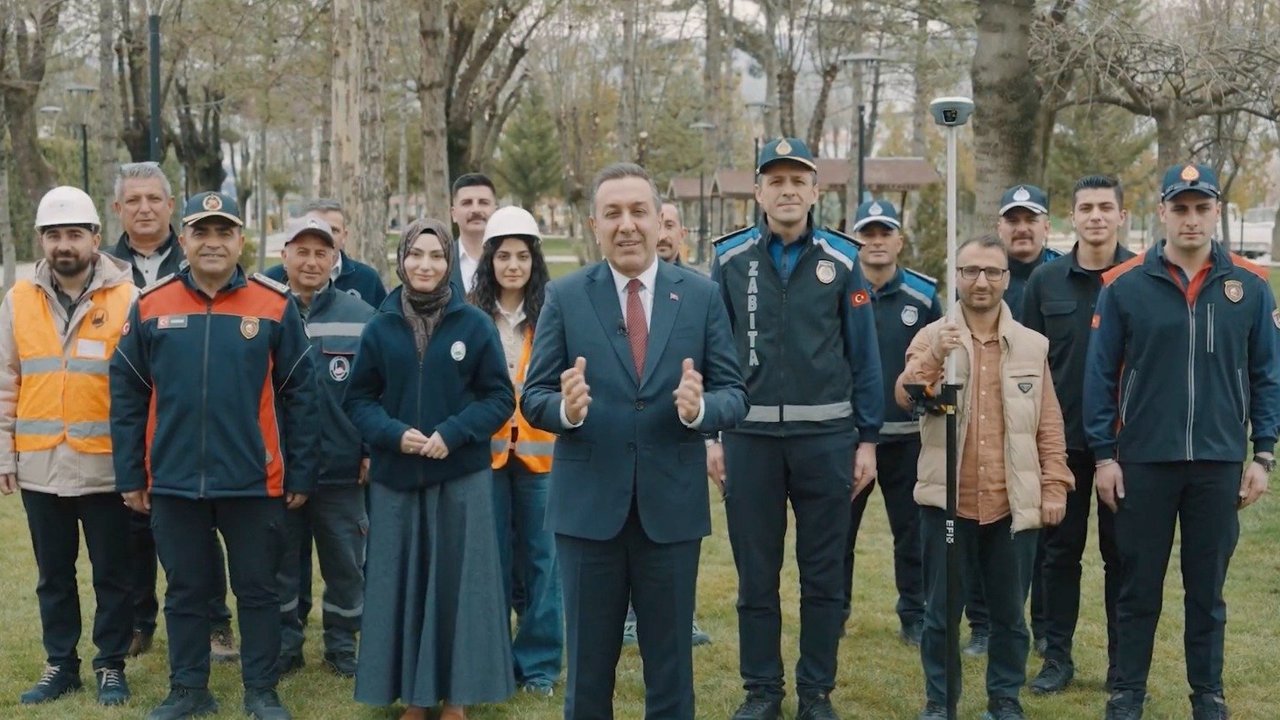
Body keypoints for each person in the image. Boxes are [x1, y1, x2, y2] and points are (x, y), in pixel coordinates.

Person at [521, 162, 747, 720]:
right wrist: (566, 413)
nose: (627, 225)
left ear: (660, 219)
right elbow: (534, 397)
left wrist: (700, 412)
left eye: (638, 211)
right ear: (594, 224)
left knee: (671, 672)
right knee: (590, 675)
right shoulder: (566, 296)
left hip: (670, 512)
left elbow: (734, 393)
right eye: (613, 214)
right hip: (586, 513)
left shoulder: (699, 295)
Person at [109, 191, 318, 720]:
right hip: (175, 480)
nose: (213, 243)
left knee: (258, 591)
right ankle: (188, 689)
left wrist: (301, 471)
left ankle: (261, 691)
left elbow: (301, 395)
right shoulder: (152, 303)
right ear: (184, 240)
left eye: (224, 232)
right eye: (202, 232)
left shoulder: (274, 304)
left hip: (254, 480)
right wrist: (132, 472)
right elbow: (129, 393)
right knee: (185, 590)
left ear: (240, 241)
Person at [1085, 163, 1279, 720]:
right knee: (1136, 587)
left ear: (1216, 212)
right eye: (1180, 208)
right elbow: (1099, 377)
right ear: (1162, 212)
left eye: (1201, 208)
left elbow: (1267, 374)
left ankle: (1208, 694)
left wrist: (1262, 454)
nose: (1190, 219)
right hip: (1143, 460)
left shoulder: (1250, 285)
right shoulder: (1123, 286)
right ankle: (1127, 692)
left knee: (1206, 592)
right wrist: (1104, 455)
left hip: (1218, 463)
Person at [709, 137, 882, 720]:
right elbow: (712, 353)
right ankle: (762, 691)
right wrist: (713, 437)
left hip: (827, 441)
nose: (786, 190)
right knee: (756, 578)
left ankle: (816, 692)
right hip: (748, 441)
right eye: (775, 180)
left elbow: (865, 355)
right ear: (758, 191)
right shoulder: (729, 260)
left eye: (797, 180)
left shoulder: (842, 257)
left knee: (823, 575)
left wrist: (867, 441)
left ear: (815, 191)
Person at [345, 218, 516, 720]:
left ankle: (455, 699)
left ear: (449, 263)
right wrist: (393, 433)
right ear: (401, 260)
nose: (425, 265)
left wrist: (455, 433)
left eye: (436, 256)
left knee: (457, 589)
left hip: (460, 479)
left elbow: (500, 396)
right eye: (416, 255)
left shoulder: (474, 324)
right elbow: (358, 399)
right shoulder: (380, 326)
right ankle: (415, 699)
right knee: (404, 587)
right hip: (397, 481)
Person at [897, 233, 1072, 720]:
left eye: (992, 272)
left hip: (1009, 503)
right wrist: (936, 356)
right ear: (957, 276)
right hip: (948, 503)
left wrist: (1054, 483)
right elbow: (907, 394)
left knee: (1010, 616)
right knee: (942, 615)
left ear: (1006, 279)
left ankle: (1005, 698)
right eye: (971, 270)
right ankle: (940, 701)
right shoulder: (935, 336)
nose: (981, 280)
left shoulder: (1032, 346)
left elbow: (1049, 422)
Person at [1, 186, 137, 706]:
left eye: (74, 234)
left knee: (112, 575)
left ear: (95, 238)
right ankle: (61, 664)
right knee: (52, 576)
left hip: (106, 464)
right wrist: (3, 455)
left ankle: (110, 664)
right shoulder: (17, 300)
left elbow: (143, 388)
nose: (64, 244)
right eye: (54, 234)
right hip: (40, 465)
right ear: (41, 239)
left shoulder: (128, 298)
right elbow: (5, 379)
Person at [105, 161, 240, 663]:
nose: (144, 208)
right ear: (118, 209)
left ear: (170, 207)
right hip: (137, 421)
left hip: (195, 428)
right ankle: (141, 623)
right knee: (136, 530)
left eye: (153, 199)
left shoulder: (198, 256)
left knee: (204, 531)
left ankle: (216, 624)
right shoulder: (104, 268)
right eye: (133, 200)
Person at [1020, 175, 1134, 695]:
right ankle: (1055, 658)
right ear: (1070, 217)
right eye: (1085, 207)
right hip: (1060, 445)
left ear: (1121, 216)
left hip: (1127, 446)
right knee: (1058, 555)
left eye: (1105, 207)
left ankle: (1121, 665)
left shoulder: (1141, 278)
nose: (1095, 216)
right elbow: (1024, 360)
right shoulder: (1045, 283)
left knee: (1123, 557)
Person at [467, 206, 564, 697]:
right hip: (486, 460)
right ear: (490, 260)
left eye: (522, 256)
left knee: (546, 563)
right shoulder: (469, 314)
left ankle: (540, 664)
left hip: (543, 459)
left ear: (534, 261)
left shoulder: (553, 313)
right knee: (493, 562)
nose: (512, 265)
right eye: (503, 256)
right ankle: (494, 661)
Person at [273, 215, 375, 680]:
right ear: (284, 256)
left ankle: (341, 644)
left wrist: (371, 448)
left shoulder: (361, 316)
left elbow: (377, 391)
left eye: (321, 252)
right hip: (281, 468)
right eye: (302, 251)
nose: (311, 260)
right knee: (282, 565)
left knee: (346, 566)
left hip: (342, 469)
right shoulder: (265, 311)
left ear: (335, 258)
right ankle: (286, 644)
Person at [966, 183, 1061, 657]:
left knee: (1043, 537)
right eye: (1013, 220)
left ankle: (1042, 627)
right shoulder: (983, 280)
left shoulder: (1063, 274)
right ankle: (982, 625)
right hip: (990, 424)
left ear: (1046, 225)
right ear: (1001, 228)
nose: (1022, 228)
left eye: (1031, 219)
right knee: (986, 528)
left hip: (1042, 422)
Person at [842, 199, 941, 647]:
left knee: (912, 534)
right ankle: (834, 610)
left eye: (886, 233)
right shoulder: (839, 290)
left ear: (900, 241)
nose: (877, 241)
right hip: (849, 438)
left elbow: (941, 358)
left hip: (907, 440)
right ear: (855, 240)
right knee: (838, 534)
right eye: (868, 233)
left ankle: (914, 615)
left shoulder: (922, 295)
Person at [622, 200, 713, 650]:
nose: (661, 235)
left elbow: (725, 383)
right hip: (619, 454)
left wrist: (701, 412)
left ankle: (681, 615)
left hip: (674, 452)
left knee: (671, 548)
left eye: (670, 225)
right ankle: (629, 615)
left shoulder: (701, 293)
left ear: (678, 233)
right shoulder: (602, 292)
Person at [266, 198, 387, 307]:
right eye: (313, 230)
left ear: (344, 236)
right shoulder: (271, 280)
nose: (324, 236)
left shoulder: (367, 279)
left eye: (333, 230)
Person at [449, 173, 498, 293]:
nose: (476, 210)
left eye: (483, 202)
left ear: (496, 211)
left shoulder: (512, 263)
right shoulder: (442, 261)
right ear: (454, 214)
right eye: (467, 203)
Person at [657, 202, 689, 267]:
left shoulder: (693, 277)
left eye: (669, 226)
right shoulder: (633, 276)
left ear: (682, 234)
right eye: (656, 226)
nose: (662, 237)